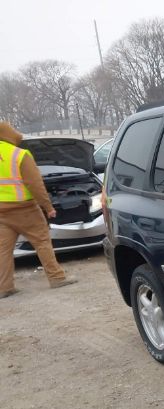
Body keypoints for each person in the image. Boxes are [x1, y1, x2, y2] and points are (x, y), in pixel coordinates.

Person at [0, 121, 77, 298]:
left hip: (1, 212)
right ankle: (56, 277)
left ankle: (4, 287)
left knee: (3, 250)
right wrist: (48, 207)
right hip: (25, 208)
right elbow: (35, 184)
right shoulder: (19, 155)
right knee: (42, 241)